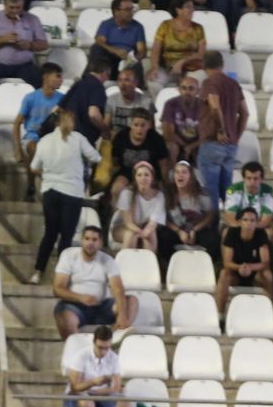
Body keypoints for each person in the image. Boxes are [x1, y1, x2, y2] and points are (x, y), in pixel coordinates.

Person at [31, 108, 101, 285]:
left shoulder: (45, 140)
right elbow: (96, 157)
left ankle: (38, 272)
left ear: (56, 122)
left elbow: (34, 166)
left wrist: (48, 175)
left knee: (50, 234)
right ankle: (62, 276)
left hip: (50, 190)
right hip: (72, 192)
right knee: (66, 236)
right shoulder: (78, 139)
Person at [194, 49, 246, 208]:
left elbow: (215, 106)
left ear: (204, 66)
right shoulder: (234, 84)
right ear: (222, 65)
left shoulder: (209, 83)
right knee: (227, 192)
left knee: (211, 194)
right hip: (230, 145)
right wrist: (235, 137)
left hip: (212, 141)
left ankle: (214, 223)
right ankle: (231, 221)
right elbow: (245, 113)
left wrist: (221, 130)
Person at [64, 325, 133, 407]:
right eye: (100, 348)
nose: (103, 352)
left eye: (107, 348)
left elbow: (116, 388)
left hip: (103, 395)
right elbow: (75, 388)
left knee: (125, 404)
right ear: (94, 342)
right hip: (80, 396)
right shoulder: (81, 356)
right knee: (87, 403)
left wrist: (97, 392)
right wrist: (92, 383)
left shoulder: (114, 358)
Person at [14, 60, 63, 185]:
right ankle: (33, 184)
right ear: (46, 77)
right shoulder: (30, 98)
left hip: (54, 138)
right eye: (57, 76)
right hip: (32, 137)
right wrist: (18, 149)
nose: (61, 80)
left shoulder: (62, 99)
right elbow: (17, 123)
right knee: (34, 147)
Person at [215, 206, 273, 310]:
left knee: (268, 275)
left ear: (256, 223)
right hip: (235, 272)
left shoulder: (261, 234)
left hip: (255, 273)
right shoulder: (232, 233)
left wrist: (250, 267)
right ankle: (220, 313)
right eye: (245, 220)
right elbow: (227, 262)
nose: (249, 223)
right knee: (224, 273)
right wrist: (240, 268)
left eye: (252, 220)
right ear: (239, 222)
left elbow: (265, 262)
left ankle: (270, 311)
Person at [108, 108, 169, 200]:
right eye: (136, 125)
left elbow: (163, 164)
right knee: (116, 190)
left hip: (150, 173)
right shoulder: (121, 137)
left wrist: (165, 184)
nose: (139, 129)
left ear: (149, 125)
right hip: (127, 172)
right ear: (130, 124)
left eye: (143, 125)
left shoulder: (156, 139)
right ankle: (116, 209)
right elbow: (114, 161)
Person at [112, 160, 167, 253]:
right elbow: (128, 222)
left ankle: (149, 261)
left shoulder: (159, 195)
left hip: (145, 227)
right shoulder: (127, 194)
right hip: (124, 228)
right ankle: (127, 261)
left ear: (152, 178)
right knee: (131, 234)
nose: (143, 178)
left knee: (151, 234)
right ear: (135, 178)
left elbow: (153, 223)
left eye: (146, 175)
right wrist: (140, 232)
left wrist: (146, 232)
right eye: (139, 175)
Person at [160, 72, 203, 168]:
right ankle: (173, 174)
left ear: (198, 91)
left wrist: (191, 147)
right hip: (177, 142)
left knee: (205, 148)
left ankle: (199, 176)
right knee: (171, 147)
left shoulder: (204, 106)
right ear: (179, 90)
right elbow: (168, 133)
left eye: (191, 88)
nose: (187, 92)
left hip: (196, 143)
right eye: (184, 88)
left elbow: (206, 135)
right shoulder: (170, 104)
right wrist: (185, 146)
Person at [221, 160, 273, 231]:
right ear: (244, 178)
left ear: (261, 179)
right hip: (237, 226)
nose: (252, 182)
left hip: (258, 226)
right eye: (249, 178)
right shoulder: (233, 190)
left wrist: (250, 228)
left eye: (256, 178)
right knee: (226, 231)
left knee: (271, 233)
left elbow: (265, 220)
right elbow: (230, 217)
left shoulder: (268, 191)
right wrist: (245, 229)